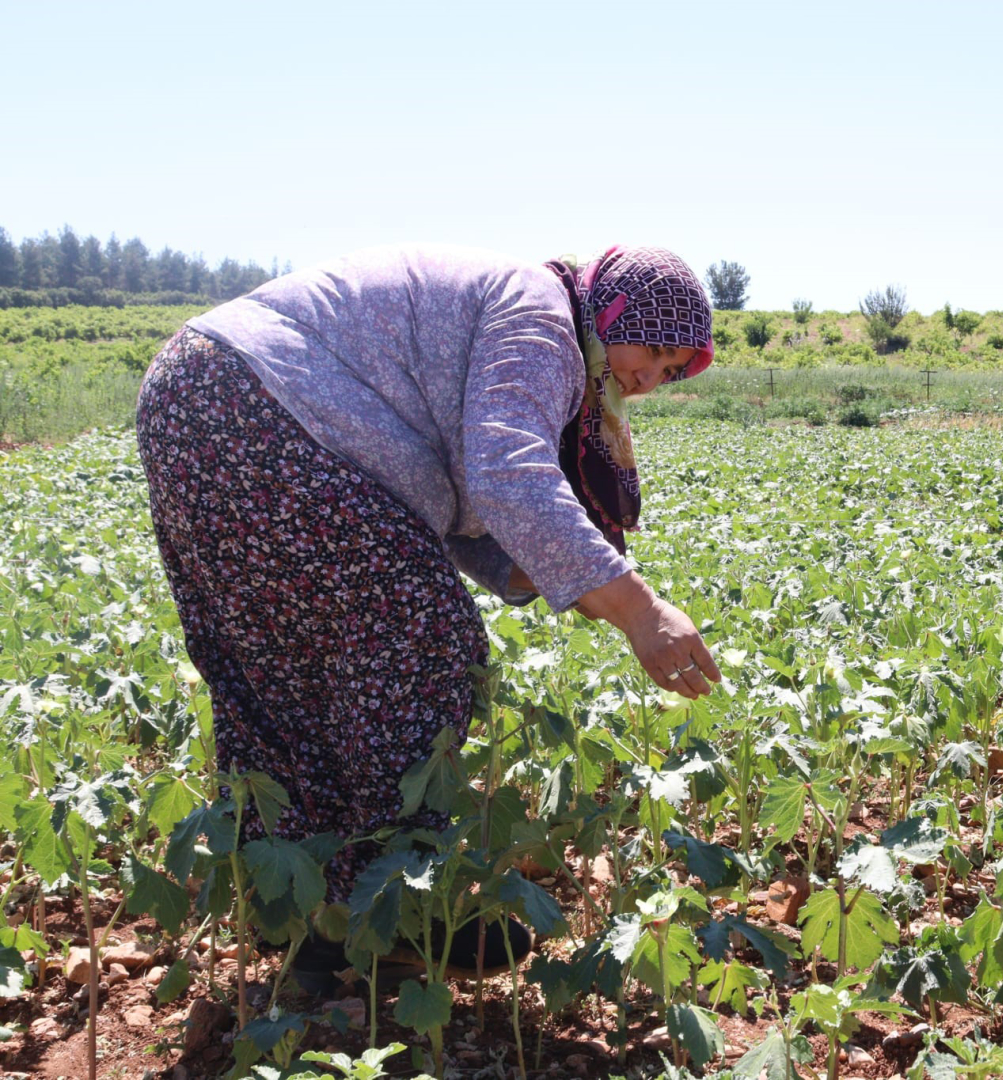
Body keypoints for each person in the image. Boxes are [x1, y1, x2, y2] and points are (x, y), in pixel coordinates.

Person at [134, 243, 723, 988]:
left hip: (195, 395)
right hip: (266, 404)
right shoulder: (544, 321)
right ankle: (404, 905)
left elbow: (440, 504)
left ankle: (306, 920)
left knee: (285, 677)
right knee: (422, 646)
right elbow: (506, 472)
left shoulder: (524, 315)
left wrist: (545, 566)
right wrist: (638, 608)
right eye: (651, 347)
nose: (646, 376)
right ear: (611, 312)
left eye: (671, 371)